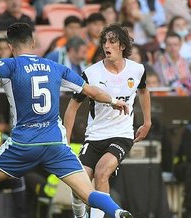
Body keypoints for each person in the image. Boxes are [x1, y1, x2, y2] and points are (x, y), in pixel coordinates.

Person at [0, 22, 133, 218]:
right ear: (33, 43)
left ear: (10, 47)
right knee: (88, 193)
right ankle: (116, 211)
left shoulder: (11, 65)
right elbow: (89, 90)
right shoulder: (55, 67)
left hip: (24, 143)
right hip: (55, 144)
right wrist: (113, 100)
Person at [63, 24, 151, 218]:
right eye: (104, 41)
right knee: (79, 183)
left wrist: (147, 122)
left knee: (102, 173)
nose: (106, 46)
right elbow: (72, 107)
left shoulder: (137, 70)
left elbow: (143, 92)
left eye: (112, 41)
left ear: (122, 46)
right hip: (94, 136)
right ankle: (80, 215)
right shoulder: (91, 73)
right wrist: (66, 142)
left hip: (121, 135)